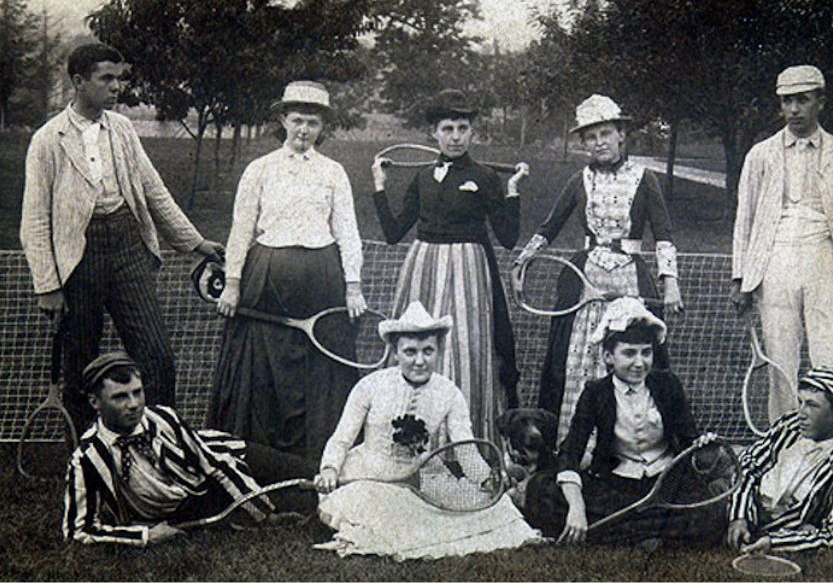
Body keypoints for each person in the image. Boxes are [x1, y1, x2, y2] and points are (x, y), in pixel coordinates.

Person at [19, 43, 224, 433]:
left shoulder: (123, 129)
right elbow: (34, 221)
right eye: (106, 78)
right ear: (79, 82)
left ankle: (164, 444)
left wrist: (194, 242)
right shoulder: (48, 140)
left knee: (157, 356)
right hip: (79, 258)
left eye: (119, 78)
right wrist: (47, 286)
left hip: (129, 248)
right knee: (81, 364)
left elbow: (153, 190)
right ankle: (87, 455)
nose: (117, 87)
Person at [514, 94, 683, 454]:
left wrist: (670, 283)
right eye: (591, 137)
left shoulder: (645, 179)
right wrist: (523, 262)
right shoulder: (580, 180)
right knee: (573, 360)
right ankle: (573, 448)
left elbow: (664, 234)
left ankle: (635, 444)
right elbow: (549, 226)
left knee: (635, 355)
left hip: (631, 280)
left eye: (605, 133)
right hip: (584, 277)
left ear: (622, 134)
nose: (599, 142)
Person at [207, 81, 366, 458]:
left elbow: (348, 231)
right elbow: (241, 229)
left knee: (321, 368)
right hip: (266, 282)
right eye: (297, 120)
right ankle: (254, 456)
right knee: (260, 367)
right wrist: (231, 283)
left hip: (322, 282)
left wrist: (353, 286)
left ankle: (317, 458)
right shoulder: (259, 170)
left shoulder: (333, 172)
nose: (303, 130)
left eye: (312, 122)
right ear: (283, 120)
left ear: (322, 126)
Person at [312, 302, 542, 560]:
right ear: (395, 352)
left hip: (425, 479)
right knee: (374, 508)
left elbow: (465, 449)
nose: (419, 361)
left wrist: (485, 480)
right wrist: (330, 468)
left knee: (493, 507)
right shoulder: (370, 386)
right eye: (410, 352)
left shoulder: (449, 393)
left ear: (439, 351)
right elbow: (342, 438)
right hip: (370, 477)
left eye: (427, 351)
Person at [370, 88, 529, 441]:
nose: (455, 136)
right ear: (435, 134)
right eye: (448, 129)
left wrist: (513, 189)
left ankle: (461, 437)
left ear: (471, 132)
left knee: (463, 347)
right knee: (418, 343)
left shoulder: (486, 177)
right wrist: (379, 187)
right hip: (422, 268)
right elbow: (395, 232)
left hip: (468, 271)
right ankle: (405, 432)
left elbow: (507, 237)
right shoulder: (423, 177)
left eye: (462, 128)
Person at [731, 65, 833, 423]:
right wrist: (740, 279)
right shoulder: (760, 154)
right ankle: (783, 442)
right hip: (775, 263)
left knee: (831, 359)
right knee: (780, 360)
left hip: (826, 261)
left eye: (802, 101)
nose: (794, 110)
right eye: (787, 101)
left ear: (819, 102)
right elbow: (744, 220)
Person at [522, 298, 723, 547]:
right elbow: (570, 452)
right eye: (629, 353)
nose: (639, 363)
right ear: (609, 356)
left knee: (709, 514)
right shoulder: (595, 393)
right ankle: (651, 531)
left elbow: (689, 442)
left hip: (666, 482)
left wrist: (702, 447)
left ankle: (621, 532)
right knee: (540, 489)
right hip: (615, 484)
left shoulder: (668, 384)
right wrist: (576, 507)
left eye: (646, 353)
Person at [63, 351, 316, 546]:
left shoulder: (164, 418)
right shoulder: (87, 458)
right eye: (119, 397)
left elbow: (216, 465)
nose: (134, 405)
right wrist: (146, 535)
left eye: (137, 393)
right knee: (300, 501)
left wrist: (261, 514)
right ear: (95, 402)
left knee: (313, 475)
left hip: (225, 456)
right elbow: (79, 529)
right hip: (195, 498)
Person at [728, 367, 833, 553]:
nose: (801, 412)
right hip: (749, 504)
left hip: (782, 525)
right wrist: (739, 516)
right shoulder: (790, 425)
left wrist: (774, 543)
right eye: (800, 402)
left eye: (812, 405)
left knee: (695, 523)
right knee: (691, 514)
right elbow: (748, 465)